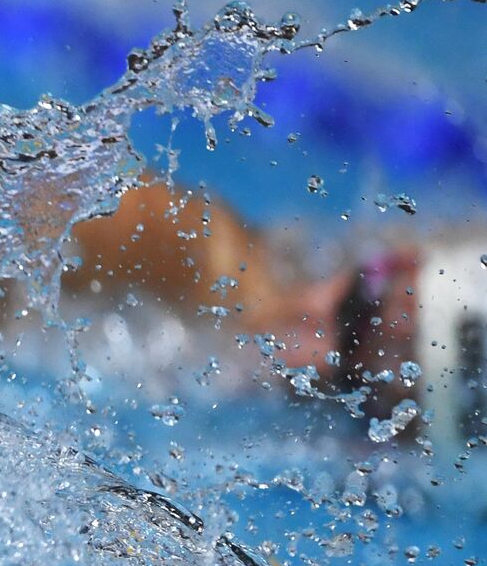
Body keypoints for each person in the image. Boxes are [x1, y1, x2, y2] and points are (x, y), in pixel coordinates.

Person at [60, 182, 485, 447]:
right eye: (356, 307)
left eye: (353, 387)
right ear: (398, 259)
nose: (311, 357)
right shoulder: (203, 258)